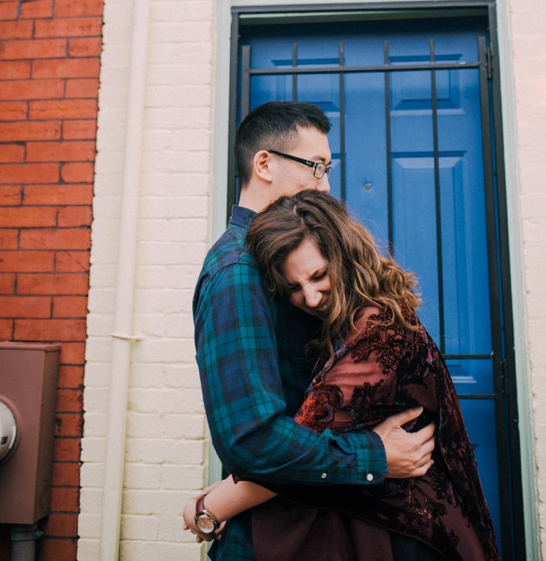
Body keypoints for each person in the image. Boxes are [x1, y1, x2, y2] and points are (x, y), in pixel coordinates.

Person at [183, 191, 499, 561]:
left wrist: (212, 506)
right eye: (295, 288)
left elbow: (302, 444)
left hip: (412, 535)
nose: (312, 297)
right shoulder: (361, 318)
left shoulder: (377, 334)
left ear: (345, 255)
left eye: (318, 276)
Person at [190, 102, 436, 559]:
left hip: (325, 521)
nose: (325, 183)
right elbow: (251, 438)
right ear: (264, 163)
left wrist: (224, 496)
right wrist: (374, 455)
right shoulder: (240, 271)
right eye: (316, 167)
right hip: (282, 536)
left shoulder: (298, 248)